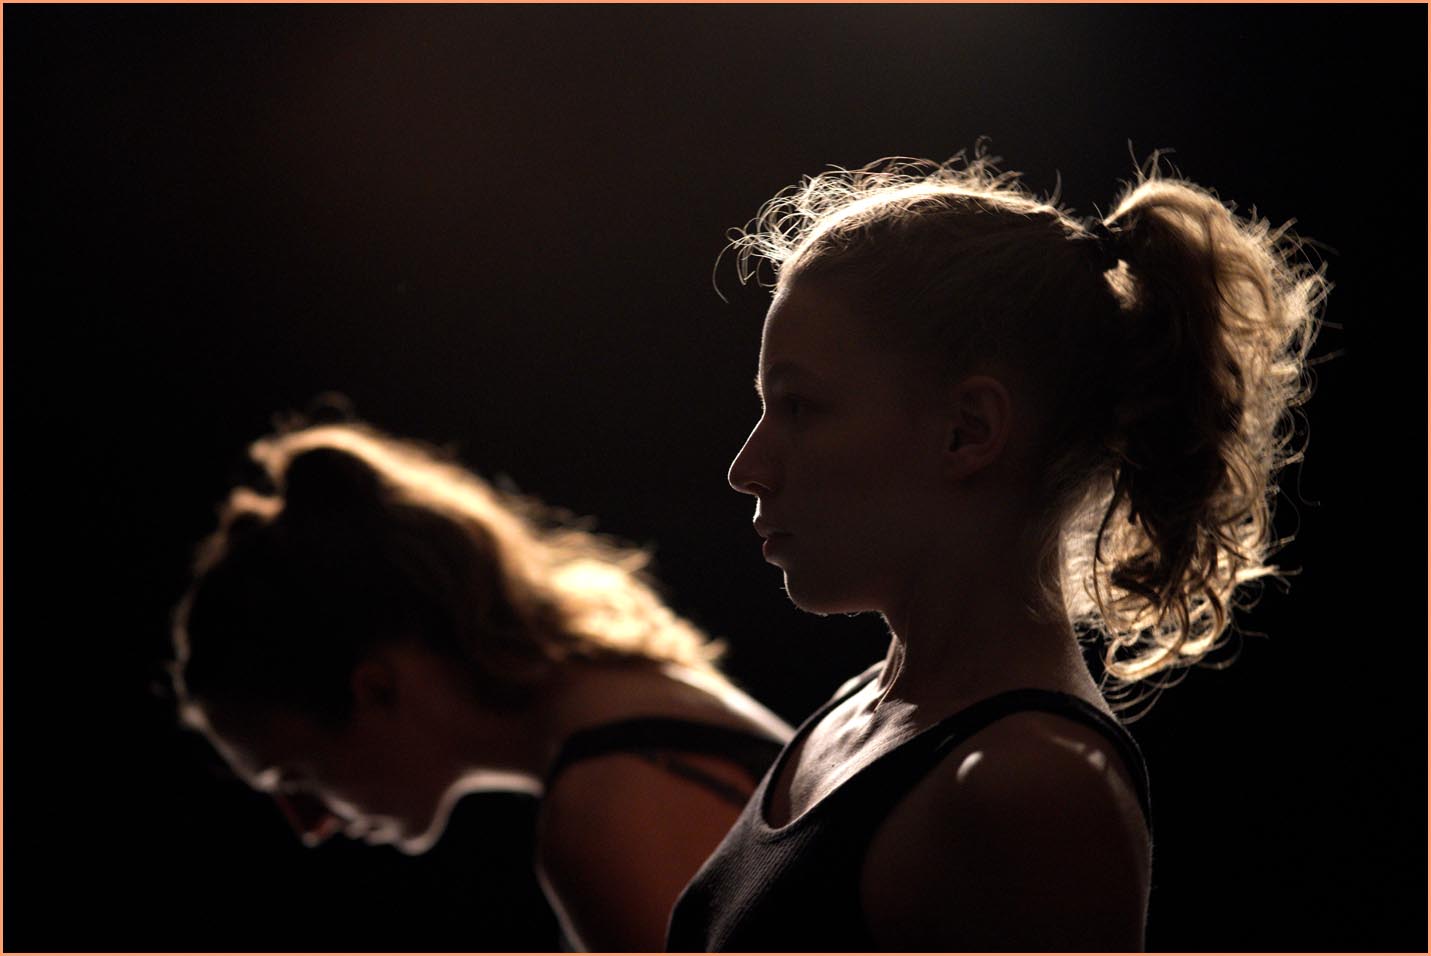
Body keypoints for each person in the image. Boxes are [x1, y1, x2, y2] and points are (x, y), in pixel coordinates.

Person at [667, 151, 1325, 951]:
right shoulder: (858, 712)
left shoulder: (1032, 789)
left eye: (799, 407)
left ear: (967, 431)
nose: (746, 467)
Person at [171, 415, 791, 952]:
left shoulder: (603, 808)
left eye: (295, 777)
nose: (310, 827)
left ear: (376, 689)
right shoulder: (641, 695)